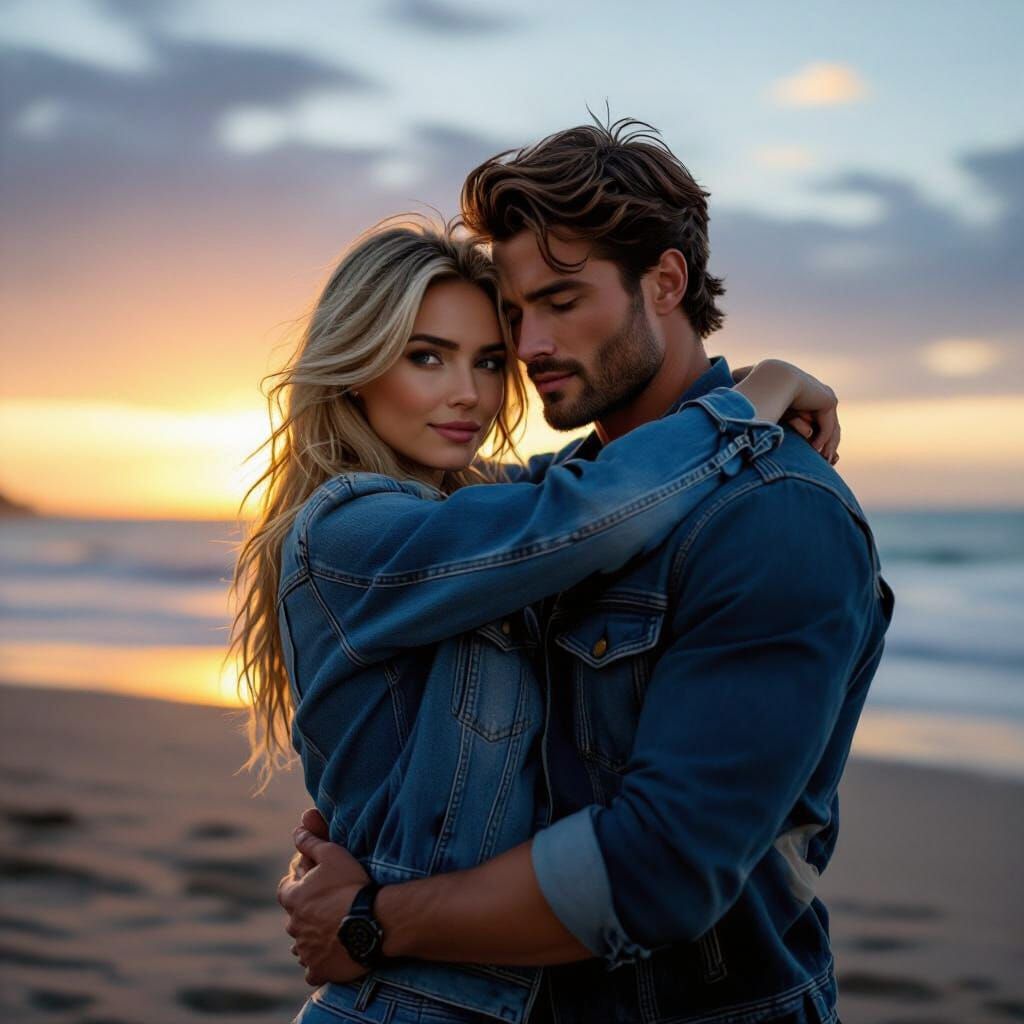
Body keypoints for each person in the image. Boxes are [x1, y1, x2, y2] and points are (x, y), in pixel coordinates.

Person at [275, 119, 894, 1024]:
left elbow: (660, 871)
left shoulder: (774, 513)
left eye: (562, 302)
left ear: (666, 283)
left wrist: (371, 919)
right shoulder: (538, 502)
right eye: (515, 316)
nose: (528, 349)